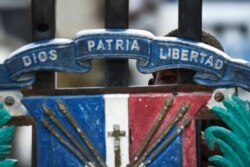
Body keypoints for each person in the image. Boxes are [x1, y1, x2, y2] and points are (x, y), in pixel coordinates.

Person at [149, 29, 223, 166]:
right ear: (152, 86)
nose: (182, 90)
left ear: (215, 87)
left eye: (198, 80)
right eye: (169, 78)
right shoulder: (134, 128)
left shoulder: (234, 131)